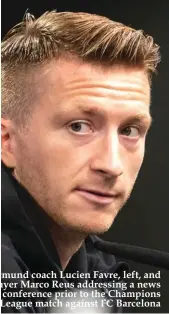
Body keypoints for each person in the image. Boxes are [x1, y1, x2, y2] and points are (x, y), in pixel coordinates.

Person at [1, 10, 160, 313]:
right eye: (79, 126)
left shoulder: (89, 269)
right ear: (7, 141)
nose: (112, 165)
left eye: (129, 130)